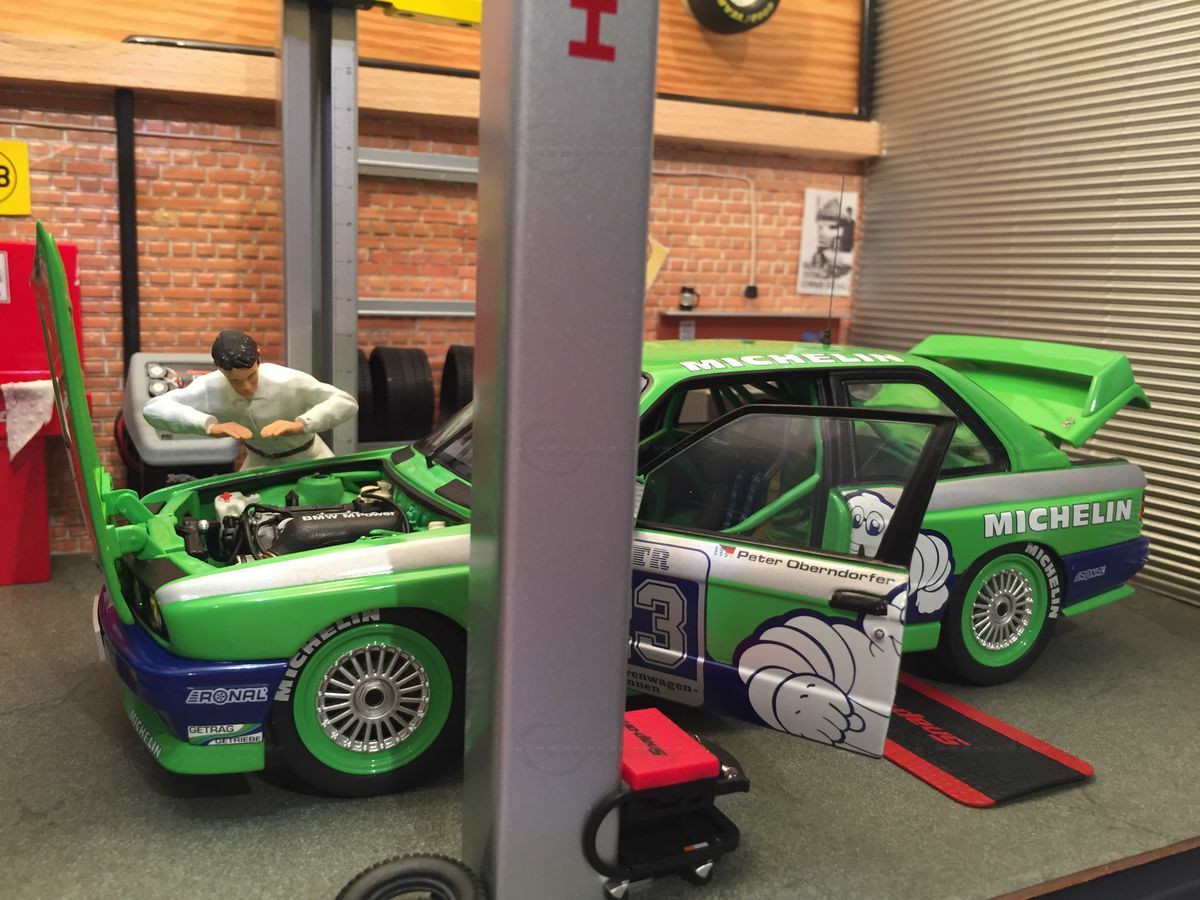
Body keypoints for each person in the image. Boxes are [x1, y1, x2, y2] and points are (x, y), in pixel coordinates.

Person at [143, 330, 358, 470]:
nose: (246, 387)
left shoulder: (288, 380)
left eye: (252, 376)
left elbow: (344, 402)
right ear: (220, 369)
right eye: (234, 381)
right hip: (258, 463)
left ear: (259, 357)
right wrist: (209, 426)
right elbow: (154, 409)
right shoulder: (211, 386)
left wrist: (301, 424)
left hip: (309, 457)